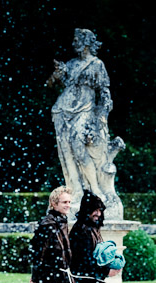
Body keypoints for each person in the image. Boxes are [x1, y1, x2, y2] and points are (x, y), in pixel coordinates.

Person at [47, 28, 125, 220]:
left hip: (85, 109)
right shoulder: (71, 64)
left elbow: (105, 91)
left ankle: (95, 188)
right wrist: (58, 75)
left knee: (79, 147)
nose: (74, 44)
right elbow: (50, 84)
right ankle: (74, 191)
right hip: (62, 110)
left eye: (77, 40)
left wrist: (102, 117)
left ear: (87, 42)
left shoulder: (97, 64)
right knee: (66, 152)